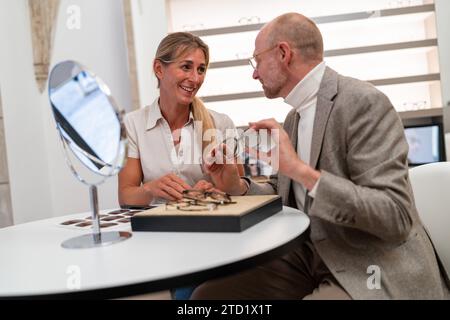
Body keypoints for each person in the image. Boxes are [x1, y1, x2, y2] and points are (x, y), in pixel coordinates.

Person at [192, 13, 450, 299]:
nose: (254, 73)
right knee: (208, 297)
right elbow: (284, 191)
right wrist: (235, 186)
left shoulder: (363, 103)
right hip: (310, 254)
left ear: (283, 53)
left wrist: (300, 169)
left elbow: (394, 216)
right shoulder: (294, 117)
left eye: (257, 60)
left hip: (369, 262)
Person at [118, 32, 243, 299]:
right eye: (186, 67)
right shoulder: (134, 124)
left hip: (210, 237)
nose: (195, 78)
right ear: (158, 69)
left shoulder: (221, 124)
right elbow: (126, 194)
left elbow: (242, 192)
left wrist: (214, 191)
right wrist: (152, 189)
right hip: (158, 239)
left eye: (201, 69)